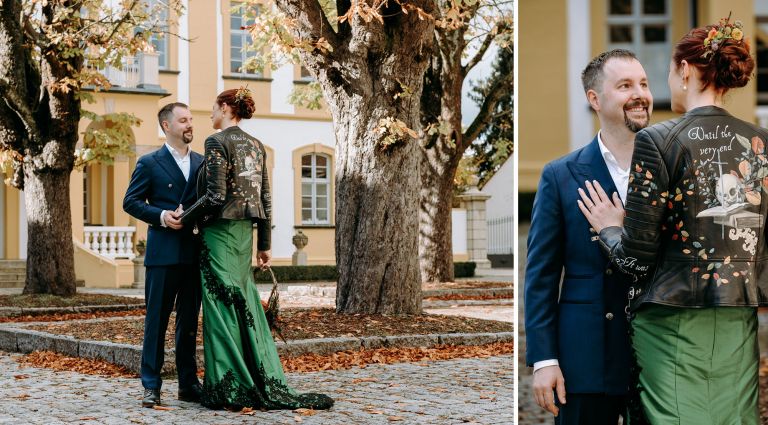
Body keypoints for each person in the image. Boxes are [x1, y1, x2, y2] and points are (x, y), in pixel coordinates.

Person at [578, 16, 767, 424]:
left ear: (684, 70)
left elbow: (636, 259)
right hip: (738, 314)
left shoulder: (658, 139)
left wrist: (609, 227)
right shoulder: (761, 142)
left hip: (671, 318)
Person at [524, 49, 652, 424]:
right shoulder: (560, 175)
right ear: (594, 98)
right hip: (586, 357)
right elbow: (541, 277)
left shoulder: (671, 169)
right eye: (625, 85)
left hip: (658, 356)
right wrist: (545, 360)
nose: (640, 94)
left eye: (643, 84)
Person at [185, 87, 334, 410]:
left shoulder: (216, 142)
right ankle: (249, 375)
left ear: (225, 108)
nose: (209, 115)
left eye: (213, 108)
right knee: (243, 304)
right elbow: (265, 199)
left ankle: (229, 385)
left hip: (220, 235)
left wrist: (183, 217)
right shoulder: (256, 145)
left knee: (221, 307)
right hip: (245, 238)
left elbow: (214, 196)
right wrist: (264, 244)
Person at [123, 102, 204, 407]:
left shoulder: (202, 162)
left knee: (188, 325)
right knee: (156, 322)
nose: (189, 125)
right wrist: (161, 215)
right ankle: (151, 385)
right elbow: (130, 202)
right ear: (167, 126)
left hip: (194, 252)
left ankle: (188, 384)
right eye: (183, 120)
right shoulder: (149, 163)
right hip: (163, 254)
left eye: (191, 119)